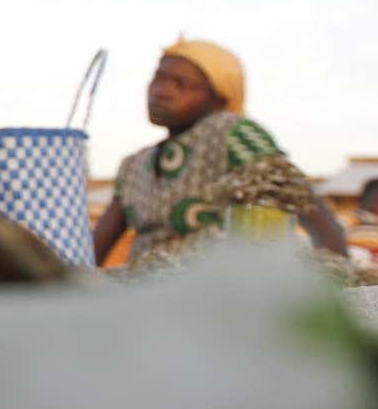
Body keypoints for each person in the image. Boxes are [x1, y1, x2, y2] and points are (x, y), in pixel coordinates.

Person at [93, 39, 347, 266]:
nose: (160, 91)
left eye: (181, 84)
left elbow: (303, 203)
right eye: (158, 78)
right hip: (138, 298)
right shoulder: (133, 165)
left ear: (218, 98)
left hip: (212, 295)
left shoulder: (231, 132)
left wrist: (341, 283)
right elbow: (94, 250)